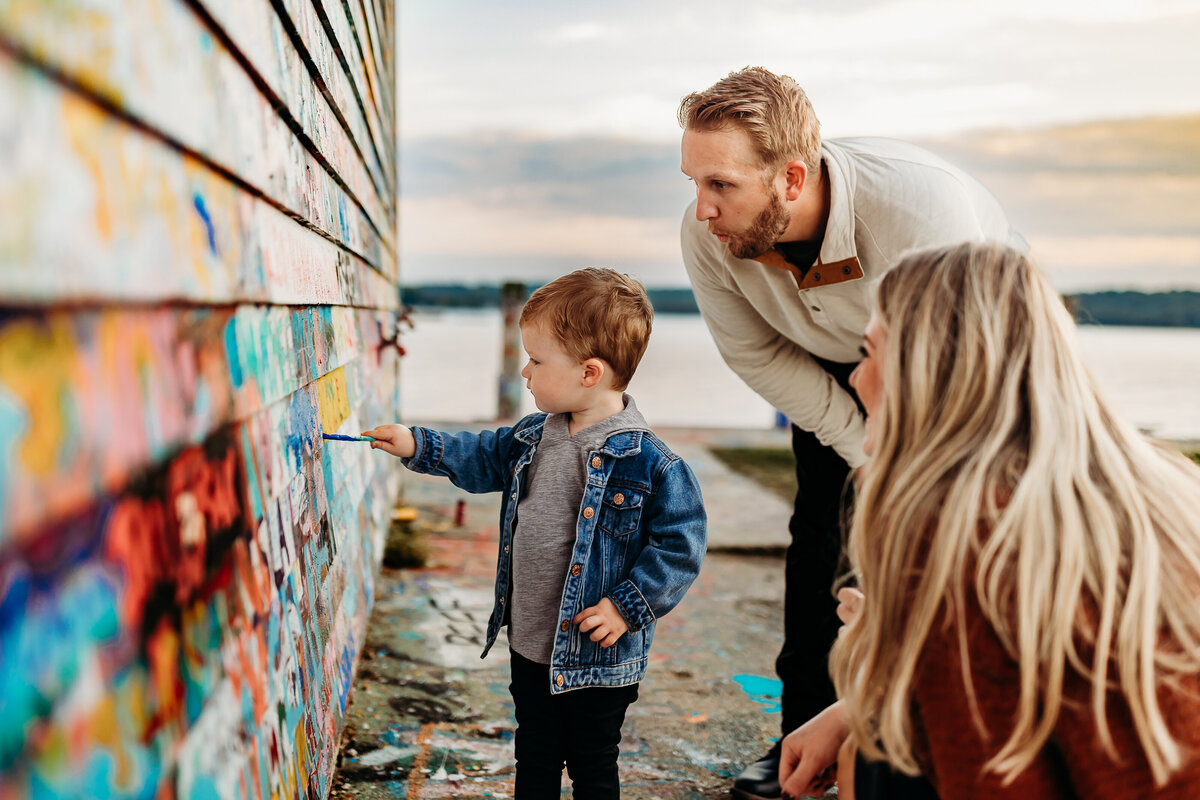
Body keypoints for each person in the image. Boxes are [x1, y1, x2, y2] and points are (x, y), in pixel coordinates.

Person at [677, 66, 1023, 800]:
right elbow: (754, 353)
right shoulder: (709, 233)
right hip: (827, 366)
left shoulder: (924, 216)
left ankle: (933, 738)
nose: (700, 209)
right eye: (693, 182)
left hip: (961, 364)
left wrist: (902, 469)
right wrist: (862, 447)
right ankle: (803, 743)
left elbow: (955, 366)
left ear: (792, 177)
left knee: (939, 555)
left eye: (720, 185)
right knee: (821, 551)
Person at [779, 241, 1200, 799]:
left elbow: (991, 779)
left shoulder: (961, 535)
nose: (857, 379)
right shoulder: (1156, 486)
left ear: (927, 370)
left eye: (871, 352)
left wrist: (881, 653)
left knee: (868, 755)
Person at [364, 267, 708, 799]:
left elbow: (680, 547)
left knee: (594, 763)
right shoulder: (531, 437)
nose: (525, 371)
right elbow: (478, 455)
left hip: (599, 654)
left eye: (538, 360)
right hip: (530, 640)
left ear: (590, 372)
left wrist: (627, 606)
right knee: (536, 755)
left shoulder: (651, 463)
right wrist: (418, 444)